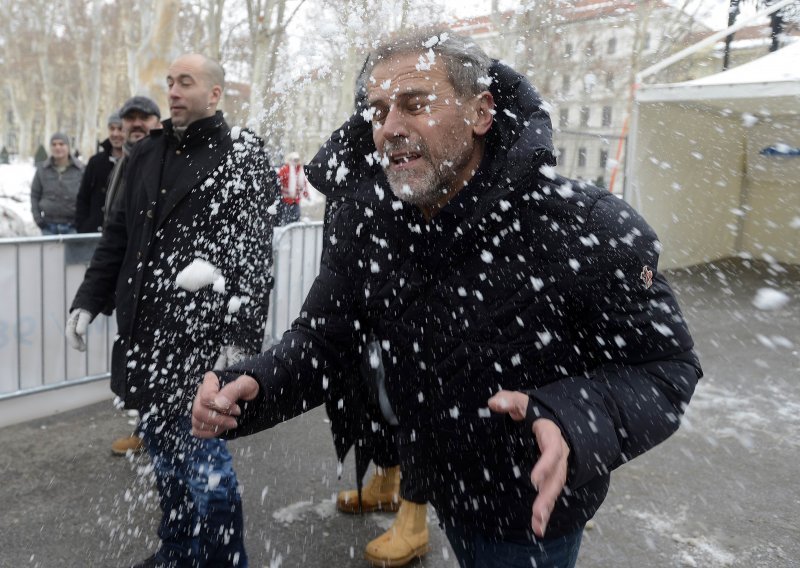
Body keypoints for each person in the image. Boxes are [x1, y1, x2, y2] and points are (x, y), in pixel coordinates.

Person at [192, 29, 702, 568]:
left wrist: (574, 421)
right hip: (440, 483)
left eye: (415, 104)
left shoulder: (582, 226)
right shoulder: (366, 218)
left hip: (530, 514)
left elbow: (665, 367)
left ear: (480, 112)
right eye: (378, 109)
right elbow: (328, 338)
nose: (390, 128)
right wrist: (259, 383)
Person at [65, 53, 274, 567]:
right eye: (170, 82)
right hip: (144, 336)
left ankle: (226, 561)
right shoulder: (144, 154)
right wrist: (89, 300)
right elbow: (118, 236)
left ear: (215, 94)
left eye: (186, 82)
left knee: (208, 471)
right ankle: (180, 550)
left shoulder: (241, 157)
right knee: (164, 459)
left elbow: (254, 258)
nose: (174, 91)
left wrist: (239, 342)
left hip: (201, 343)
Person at [103, 96, 162, 456]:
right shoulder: (123, 161)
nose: (136, 124)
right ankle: (145, 428)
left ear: (157, 121)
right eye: (130, 119)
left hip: (152, 278)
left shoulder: (161, 160)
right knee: (133, 356)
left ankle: (153, 433)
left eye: (144, 118)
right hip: (127, 271)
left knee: (150, 359)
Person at [75, 113, 125, 233]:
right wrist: (83, 226)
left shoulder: (138, 162)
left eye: (120, 129)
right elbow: (83, 197)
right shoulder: (95, 162)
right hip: (93, 233)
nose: (115, 134)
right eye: (112, 128)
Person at [31, 132, 84, 235]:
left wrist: (81, 221)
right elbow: (35, 195)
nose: (57, 147)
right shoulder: (42, 170)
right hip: (48, 227)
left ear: (68, 146)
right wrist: (38, 219)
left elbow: (86, 198)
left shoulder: (80, 169)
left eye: (61, 144)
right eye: (54, 144)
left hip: (73, 227)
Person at [275, 151, 307, 225]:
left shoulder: (299, 169)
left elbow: (303, 183)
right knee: (287, 220)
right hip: (286, 200)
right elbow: (279, 182)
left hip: (296, 200)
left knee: (296, 219)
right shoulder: (284, 169)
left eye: (297, 159)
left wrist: (305, 193)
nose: (296, 161)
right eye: (294, 159)